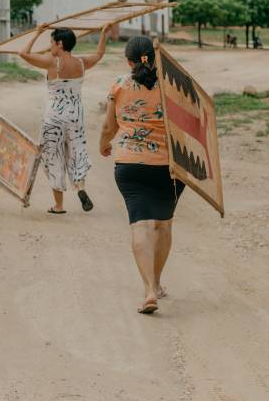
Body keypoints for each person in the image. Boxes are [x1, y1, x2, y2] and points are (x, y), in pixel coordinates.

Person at [99, 36, 185, 315]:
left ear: (128, 60)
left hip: (130, 165)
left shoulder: (119, 85)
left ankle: (148, 290)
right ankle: (157, 283)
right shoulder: (173, 87)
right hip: (169, 167)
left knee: (140, 225)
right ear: (155, 58)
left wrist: (104, 145)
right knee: (164, 225)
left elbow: (108, 127)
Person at [19, 23, 109, 215]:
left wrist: (37, 32)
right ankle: (80, 188)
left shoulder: (52, 62)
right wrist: (103, 33)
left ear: (59, 44)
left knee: (54, 157)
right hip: (75, 115)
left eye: (51, 42)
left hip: (54, 117)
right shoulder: (82, 63)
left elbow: (23, 53)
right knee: (77, 152)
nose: (50, 46)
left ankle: (59, 206)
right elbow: (100, 54)